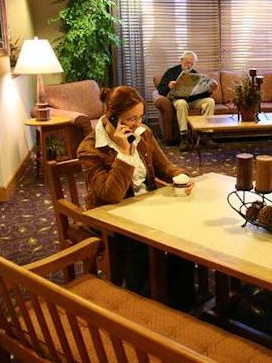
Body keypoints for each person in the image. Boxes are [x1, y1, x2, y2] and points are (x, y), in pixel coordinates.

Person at [77, 86, 196, 309]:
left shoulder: (143, 133)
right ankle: (141, 306)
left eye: (140, 117)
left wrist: (181, 176)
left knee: (184, 235)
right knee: (140, 246)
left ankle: (182, 304)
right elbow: (111, 194)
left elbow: (164, 166)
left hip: (145, 208)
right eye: (131, 119)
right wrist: (124, 153)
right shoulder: (90, 149)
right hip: (111, 217)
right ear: (112, 118)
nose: (138, 124)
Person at [157, 50, 218, 151]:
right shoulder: (171, 72)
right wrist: (168, 86)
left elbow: (201, 94)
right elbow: (160, 90)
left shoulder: (194, 74)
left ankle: (206, 136)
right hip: (178, 100)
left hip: (193, 101)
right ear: (181, 60)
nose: (189, 65)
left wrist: (210, 89)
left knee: (210, 101)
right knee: (182, 103)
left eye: (191, 64)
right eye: (187, 63)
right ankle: (184, 139)